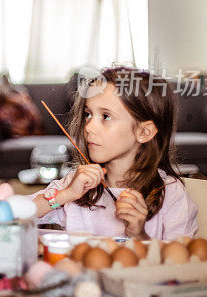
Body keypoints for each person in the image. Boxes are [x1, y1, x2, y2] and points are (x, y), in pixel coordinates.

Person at [29, 67, 198, 240]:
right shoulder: (75, 185)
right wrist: (66, 195)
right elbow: (7, 216)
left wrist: (139, 235)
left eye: (106, 116)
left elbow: (181, 263)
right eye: (88, 114)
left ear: (144, 132)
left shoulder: (171, 193)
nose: (88, 127)